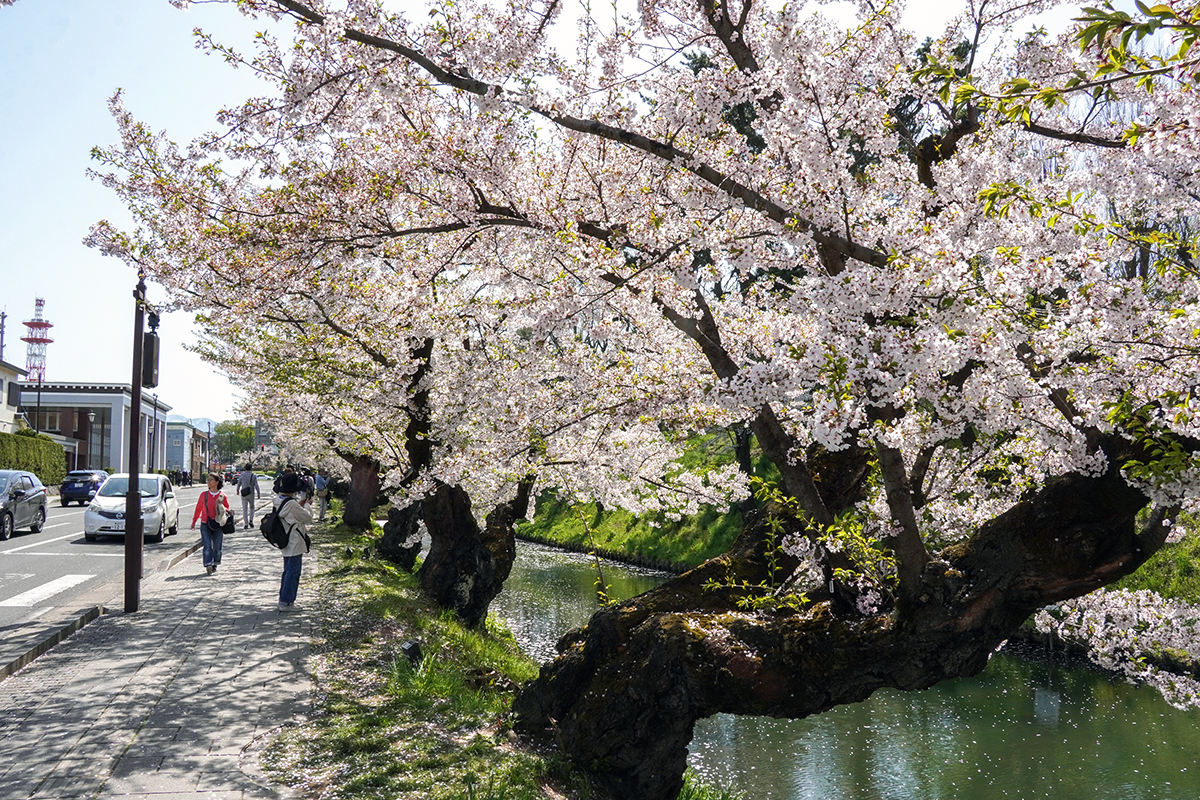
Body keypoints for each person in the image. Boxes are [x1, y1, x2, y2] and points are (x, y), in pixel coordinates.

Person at [274, 471, 313, 611]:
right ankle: (286, 601)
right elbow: (307, 517)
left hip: (284, 537)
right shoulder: (291, 504)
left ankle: (284, 599)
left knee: (288, 570)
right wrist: (307, 505)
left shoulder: (279, 500)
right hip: (294, 539)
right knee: (293, 571)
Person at [191, 473, 230, 575]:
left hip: (218, 524)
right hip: (205, 523)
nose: (208, 482)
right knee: (207, 545)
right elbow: (198, 508)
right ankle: (208, 564)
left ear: (217, 482)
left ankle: (215, 563)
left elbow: (227, 509)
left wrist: (223, 509)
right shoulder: (204, 495)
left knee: (217, 547)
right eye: (208, 480)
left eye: (211, 480)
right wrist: (194, 521)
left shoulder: (222, 496)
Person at [236, 463, 261, 529]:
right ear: (251, 468)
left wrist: (237, 490)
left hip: (244, 493)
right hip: (251, 493)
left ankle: (246, 523)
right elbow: (256, 485)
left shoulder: (242, 475)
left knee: (244, 509)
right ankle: (251, 520)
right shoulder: (253, 475)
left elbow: (239, 483)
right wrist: (258, 493)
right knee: (252, 507)